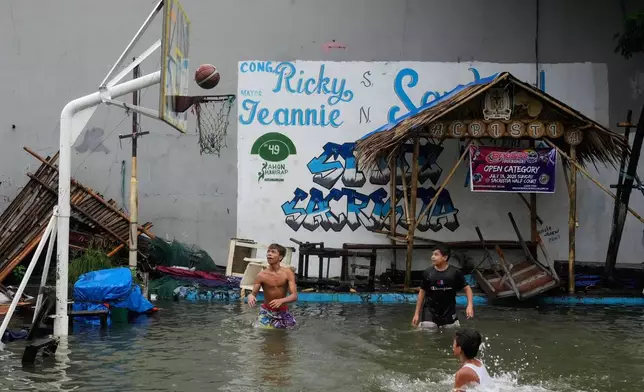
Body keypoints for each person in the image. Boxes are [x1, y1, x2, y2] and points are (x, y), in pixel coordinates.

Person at [411, 246, 474, 329]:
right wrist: (416, 314)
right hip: (430, 310)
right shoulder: (428, 272)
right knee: (428, 332)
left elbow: (467, 288)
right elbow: (422, 292)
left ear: (445, 257)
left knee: (449, 333)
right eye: (432, 254)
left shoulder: (455, 272)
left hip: (448, 311)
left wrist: (470, 305)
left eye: (436, 254)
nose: (432, 257)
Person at [247, 243, 298, 329]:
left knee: (292, 330)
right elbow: (253, 294)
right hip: (266, 312)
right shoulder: (261, 275)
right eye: (268, 252)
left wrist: (281, 300)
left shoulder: (288, 273)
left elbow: (294, 296)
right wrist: (250, 296)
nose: (269, 254)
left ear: (280, 257)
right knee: (258, 330)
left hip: (283, 311)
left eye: (273, 252)